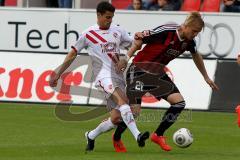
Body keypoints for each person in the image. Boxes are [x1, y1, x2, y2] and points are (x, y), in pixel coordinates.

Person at [49, 1, 149, 152]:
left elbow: (134, 43)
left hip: (117, 77)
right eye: (107, 17)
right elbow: (73, 53)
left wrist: (141, 37)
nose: (110, 20)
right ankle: (138, 136)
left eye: (112, 17)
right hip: (102, 77)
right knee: (123, 102)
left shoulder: (118, 30)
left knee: (116, 118)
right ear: (99, 15)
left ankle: (91, 135)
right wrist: (58, 73)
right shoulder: (88, 34)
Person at [113, 11, 219, 152]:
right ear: (186, 26)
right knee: (135, 112)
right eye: (194, 31)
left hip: (157, 74)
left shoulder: (189, 42)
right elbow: (139, 38)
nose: (195, 35)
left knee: (179, 103)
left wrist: (206, 76)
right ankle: (117, 137)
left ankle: (158, 135)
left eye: (198, 33)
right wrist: (126, 58)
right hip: (138, 70)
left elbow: (196, 55)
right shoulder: (166, 32)